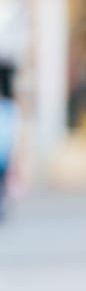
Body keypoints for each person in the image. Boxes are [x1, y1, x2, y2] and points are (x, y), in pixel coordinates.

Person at [0, 61, 18, 220]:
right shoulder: (9, 107)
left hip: (3, 152)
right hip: (4, 152)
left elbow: (12, 132)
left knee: (2, 182)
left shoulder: (8, 107)